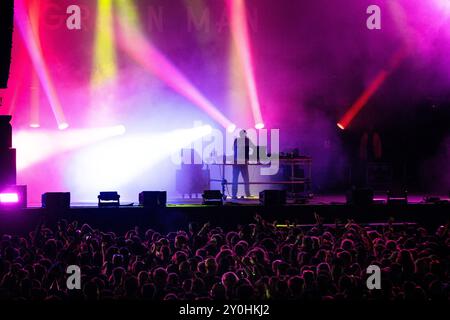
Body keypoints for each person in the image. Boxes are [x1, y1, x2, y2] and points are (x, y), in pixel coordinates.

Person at [232, 130, 255, 199]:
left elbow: (234, 149)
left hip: (238, 161)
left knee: (236, 179)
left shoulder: (238, 140)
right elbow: (251, 148)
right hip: (240, 162)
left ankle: (234, 195)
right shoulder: (245, 140)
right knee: (244, 179)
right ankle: (246, 194)